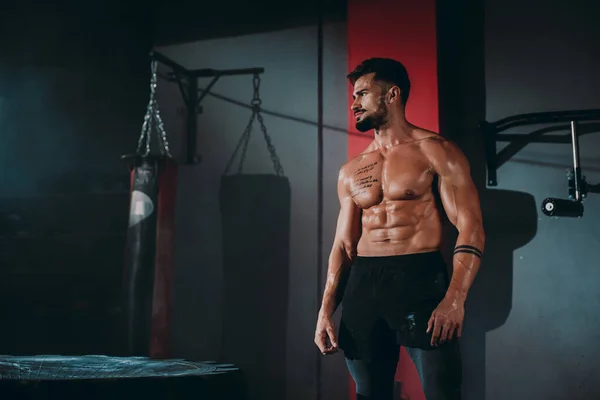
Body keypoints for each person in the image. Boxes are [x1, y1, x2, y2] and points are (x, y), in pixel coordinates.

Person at [314, 58, 485, 400]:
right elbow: (344, 247)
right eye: (353, 95)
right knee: (368, 392)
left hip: (419, 279)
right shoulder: (351, 170)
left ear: (392, 95)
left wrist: (455, 300)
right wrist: (325, 311)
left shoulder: (435, 151)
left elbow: (471, 227)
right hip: (364, 283)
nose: (354, 103)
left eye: (362, 93)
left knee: (443, 391)